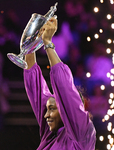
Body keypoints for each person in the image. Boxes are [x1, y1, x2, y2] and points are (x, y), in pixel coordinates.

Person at [23, 17, 96, 149]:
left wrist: (48, 43)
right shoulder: (51, 134)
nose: (45, 115)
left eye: (51, 109)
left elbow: (64, 87)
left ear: (65, 108)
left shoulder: (83, 133)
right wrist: (30, 44)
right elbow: (35, 86)